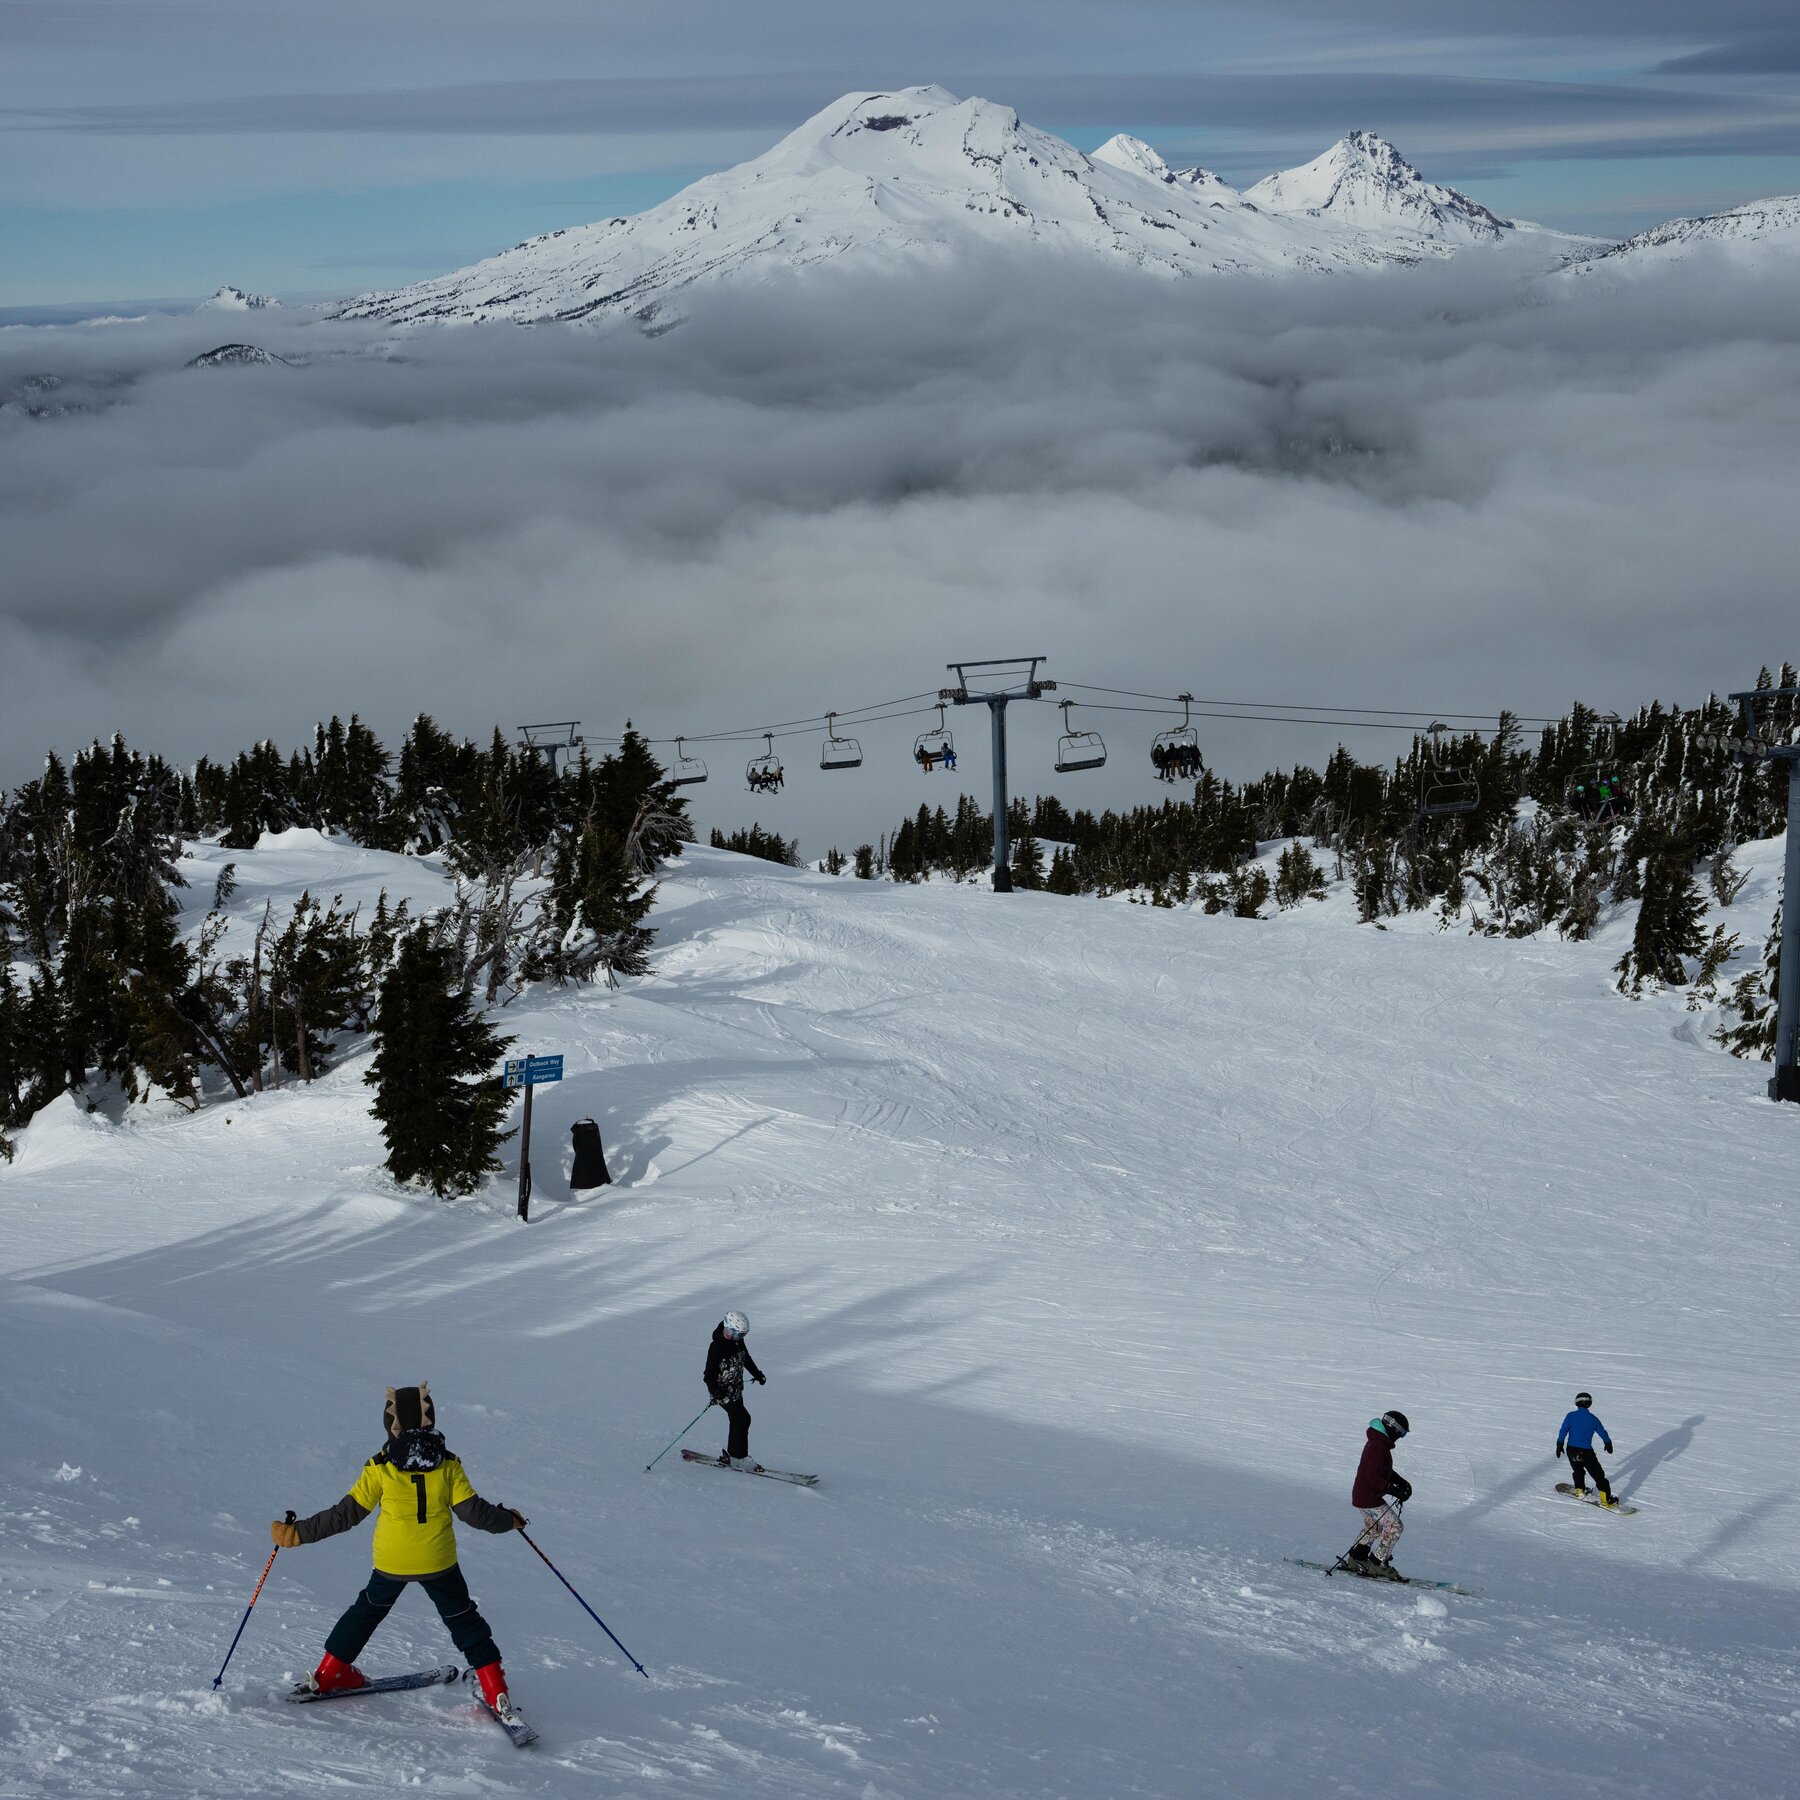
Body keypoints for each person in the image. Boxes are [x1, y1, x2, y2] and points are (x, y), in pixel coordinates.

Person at [269, 1383, 527, 1723]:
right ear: (430, 1418)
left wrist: (297, 1532)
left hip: (392, 1561)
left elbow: (345, 1514)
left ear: (391, 1424)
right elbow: (474, 1513)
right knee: (464, 1618)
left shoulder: (380, 1465)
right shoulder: (448, 1464)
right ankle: (496, 1689)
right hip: (438, 1561)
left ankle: (330, 1674)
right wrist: (509, 1520)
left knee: (365, 1612)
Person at [1347, 1409, 1413, 1579]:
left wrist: (1400, 1482)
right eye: (1402, 1433)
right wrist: (1394, 1490)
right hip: (1369, 1496)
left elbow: (1383, 1470)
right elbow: (1374, 1477)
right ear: (1394, 1429)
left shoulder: (1378, 1443)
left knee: (1374, 1527)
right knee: (1395, 1527)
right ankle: (1377, 1563)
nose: (1400, 1437)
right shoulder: (1378, 1446)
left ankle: (1356, 1558)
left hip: (1361, 1495)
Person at [705, 1309, 766, 1471]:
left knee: (738, 1420)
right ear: (726, 1327)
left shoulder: (737, 1342)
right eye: (732, 1333)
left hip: (736, 1389)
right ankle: (739, 1457)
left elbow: (745, 1358)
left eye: (740, 1335)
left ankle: (734, 1455)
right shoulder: (716, 1347)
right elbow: (708, 1375)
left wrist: (758, 1374)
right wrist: (715, 1391)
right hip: (722, 1392)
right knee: (742, 1419)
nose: (735, 1338)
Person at [1556, 1391, 1618, 1507]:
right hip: (1586, 1453)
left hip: (1571, 1450)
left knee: (1578, 1471)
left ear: (1577, 1403)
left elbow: (1563, 1430)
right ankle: (1606, 1499)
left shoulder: (1570, 1416)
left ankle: (1580, 1491)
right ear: (1589, 1404)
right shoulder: (1593, 1419)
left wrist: (1559, 1444)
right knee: (1598, 1475)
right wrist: (1608, 1442)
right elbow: (1602, 1432)